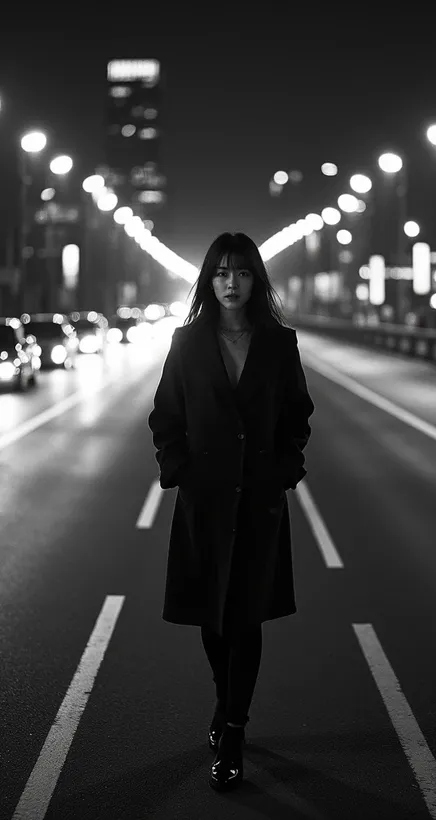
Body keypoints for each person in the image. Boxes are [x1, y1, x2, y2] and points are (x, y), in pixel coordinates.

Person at [147, 232, 314, 792]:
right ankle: (225, 702)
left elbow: (297, 415)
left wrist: (285, 469)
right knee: (212, 619)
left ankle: (235, 729)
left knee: (245, 618)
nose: (230, 283)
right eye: (220, 273)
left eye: (241, 273)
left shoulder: (279, 343)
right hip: (205, 501)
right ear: (207, 281)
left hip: (260, 502)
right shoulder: (187, 343)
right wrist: (180, 473)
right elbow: (166, 416)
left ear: (256, 280)